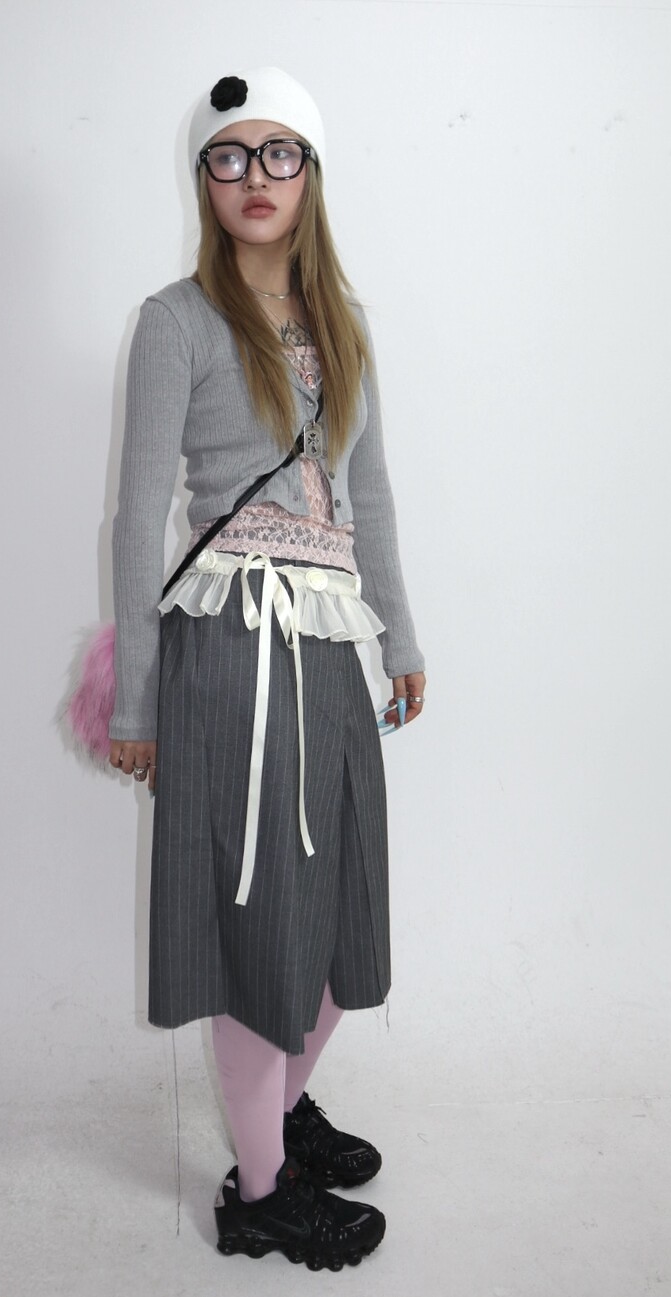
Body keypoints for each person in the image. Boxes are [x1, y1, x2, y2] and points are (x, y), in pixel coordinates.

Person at [108, 67, 425, 1271]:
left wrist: (399, 636)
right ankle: (259, 1192)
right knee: (261, 930)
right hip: (233, 654)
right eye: (229, 156)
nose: (255, 177)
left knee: (341, 919)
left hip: (329, 649)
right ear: (203, 179)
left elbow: (369, 497)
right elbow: (138, 518)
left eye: (279, 153)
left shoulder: (343, 324)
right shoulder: (176, 321)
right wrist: (137, 699)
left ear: (311, 174)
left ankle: (278, 1111)